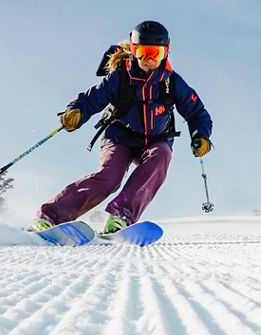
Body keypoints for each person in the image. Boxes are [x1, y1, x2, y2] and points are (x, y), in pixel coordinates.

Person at [31, 20, 213, 233]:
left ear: (166, 52)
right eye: (144, 52)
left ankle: (121, 216)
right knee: (110, 177)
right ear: (134, 50)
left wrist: (201, 135)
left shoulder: (172, 83)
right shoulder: (120, 78)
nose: (149, 59)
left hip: (155, 139)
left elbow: (197, 112)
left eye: (156, 53)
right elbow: (92, 98)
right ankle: (50, 216)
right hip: (120, 137)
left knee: (162, 155)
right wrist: (76, 112)